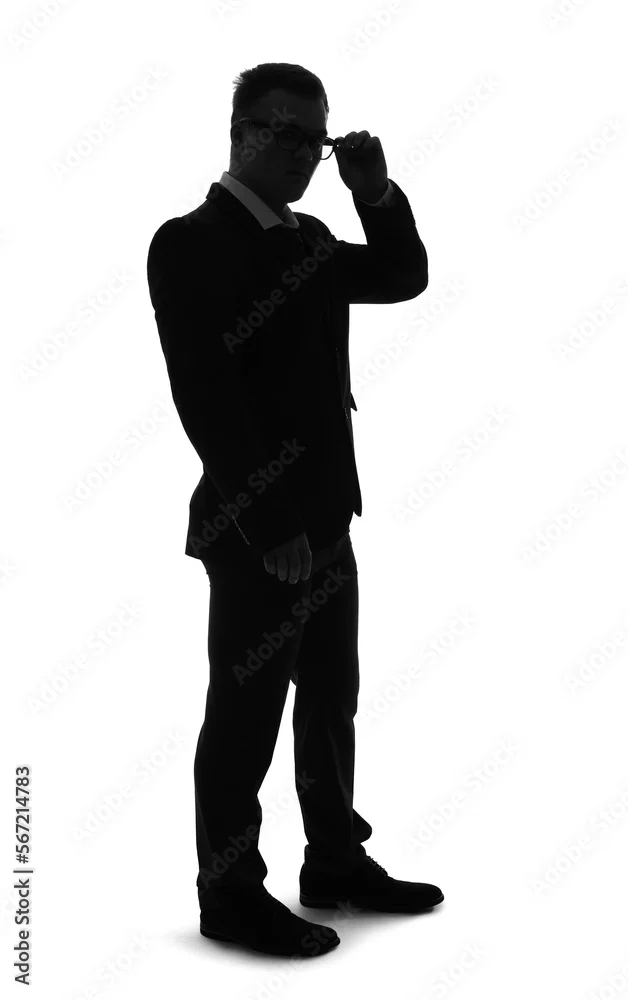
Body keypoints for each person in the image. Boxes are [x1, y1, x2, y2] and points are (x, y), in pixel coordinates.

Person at [147, 61, 443, 958]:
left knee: (329, 702)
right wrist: (269, 524)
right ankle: (230, 894)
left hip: (329, 517)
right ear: (239, 132)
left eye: (313, 137)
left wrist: (375, 193)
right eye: (282, 131)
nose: (301, 151)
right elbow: (206, 398)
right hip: (257, 531)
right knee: (245, 715)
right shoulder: (189, 241)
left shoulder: (308, 238)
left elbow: (401, 275)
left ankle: (335, 861)